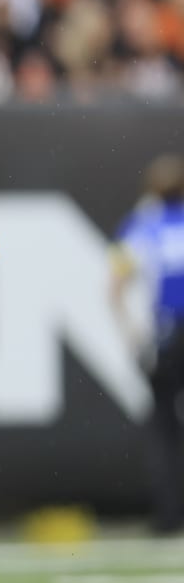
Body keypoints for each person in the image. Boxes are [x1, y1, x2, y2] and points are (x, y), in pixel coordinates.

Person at [110, 152, 184, 534]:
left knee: (164, 427)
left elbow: (116, 286)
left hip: (169, 335)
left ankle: (170, 516)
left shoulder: (142, 226)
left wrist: (133, 335)